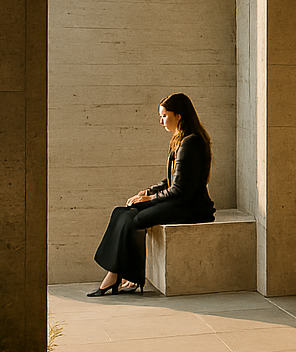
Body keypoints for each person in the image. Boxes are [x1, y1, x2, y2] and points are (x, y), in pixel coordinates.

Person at [88, 93, 215, 295]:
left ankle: (122, 276)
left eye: (164, 115)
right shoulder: (182, 140)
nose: (161, 121)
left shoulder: (191, 143)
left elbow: (179, 189)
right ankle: (117, 274)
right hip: (179, 201)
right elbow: (172, 180)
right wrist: (148, 191)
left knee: (136, 218)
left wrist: (149, 199)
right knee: (123, 211)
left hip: (191, 207)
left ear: (179, 116)